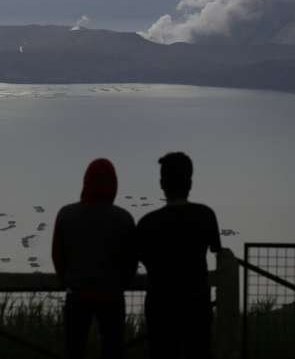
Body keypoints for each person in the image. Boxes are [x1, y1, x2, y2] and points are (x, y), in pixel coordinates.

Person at [136, 151, 222, 359]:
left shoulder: (147, 223)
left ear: (162, 183)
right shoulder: (206, 215)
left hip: (160, 305)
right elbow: (217, 250)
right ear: (190, 182)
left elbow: (138, 258)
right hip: (197, 304)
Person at [52, 158, 137, 359]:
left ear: (86, 182)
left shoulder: (66, 214)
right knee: (113, 349)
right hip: (112, 296)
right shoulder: (124, 218)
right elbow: (131, 260)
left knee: (74, 349)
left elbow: (57, 255)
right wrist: (122, 283)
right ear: (114, 184)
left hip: (77, 294)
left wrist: (67, 280)